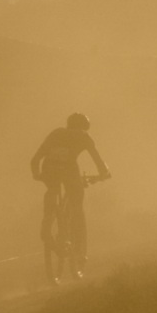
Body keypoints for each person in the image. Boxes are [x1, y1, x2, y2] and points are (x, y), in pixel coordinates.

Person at [30, 113, 109, 283]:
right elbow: (99, 161)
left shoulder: (56, 133)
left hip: (48, 169)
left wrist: (37, 174)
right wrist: (104, 174)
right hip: (69, 172)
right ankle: (79, 251)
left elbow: (35, 159)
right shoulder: (83, 136)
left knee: (52, 189)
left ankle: (48, 221)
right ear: (84, 127)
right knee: (77, 204)